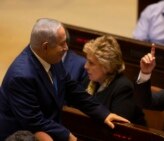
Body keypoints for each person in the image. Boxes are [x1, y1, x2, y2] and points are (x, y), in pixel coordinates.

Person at [0, 18, 129, 141]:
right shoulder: (21, 76)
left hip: (45, 129)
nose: (66, 47)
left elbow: (71, 88)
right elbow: (34, 120)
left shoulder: (52, 57)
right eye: (62, 43)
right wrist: (68, 136)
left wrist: (102, 113)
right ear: (45, 46)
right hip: (19, 135)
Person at [82, 35, 146, 125]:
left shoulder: (123, 88)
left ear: (107, 66)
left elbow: (118, 127)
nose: (86, 66)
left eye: (91, 63)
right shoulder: (89, 81)